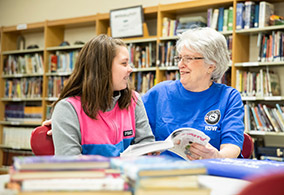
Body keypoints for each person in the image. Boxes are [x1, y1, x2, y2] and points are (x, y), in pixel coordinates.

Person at [142, 27, 244, 160]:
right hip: (163, 173)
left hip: (207, 172)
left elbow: (232, 145)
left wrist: (218, 156)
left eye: (188, 58)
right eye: (179, 58)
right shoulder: (160, 93)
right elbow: (134, 133)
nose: (180, 65)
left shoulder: (229, 97)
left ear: (211, 65)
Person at [48, 34, 155, 156]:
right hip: (92, 175)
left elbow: (146, 144)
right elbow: (70, 163)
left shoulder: (133, 100)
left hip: (129, 174)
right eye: (124, 64)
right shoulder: (67, 109)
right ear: (103, 68)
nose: (130, 69)